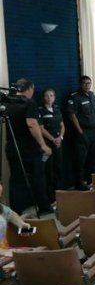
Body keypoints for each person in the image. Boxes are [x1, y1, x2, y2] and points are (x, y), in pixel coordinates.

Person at [3, 79, 52, 213]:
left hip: (12, 146)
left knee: (16, 180)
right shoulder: (29, 103)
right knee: (38, 178)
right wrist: (43, 145)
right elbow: (32, 124)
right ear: (29, 89)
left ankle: (16, 212)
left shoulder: (7, 102)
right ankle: (44, 208)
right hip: (29, 148)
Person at [65, 75, 95, 190]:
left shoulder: (91, 95)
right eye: (85, 83)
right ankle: (80, 183)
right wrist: (80, 130)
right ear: (80, 84)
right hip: (84, 132)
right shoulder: (75, 97)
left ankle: (91, 180)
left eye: (89, 83)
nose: (87, 85)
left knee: (94, 157)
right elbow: (72, 115)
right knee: (81, 159)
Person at [38, 87, 65, 202]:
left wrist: (60, 138)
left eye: (51, 96)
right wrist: (53, 139)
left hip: (58, 142)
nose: (49, 98)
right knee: (48, 170)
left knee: (58, 168)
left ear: (54, 97)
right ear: (43, 98)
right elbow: (41, 128)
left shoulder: (57, 109)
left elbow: (62, 125)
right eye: (47, 96)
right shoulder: (40, 110)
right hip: (48, 144)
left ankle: (58, 193)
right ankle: (50, 197)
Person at [0, 183, 33, 255]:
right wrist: (4, 252)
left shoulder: (1, 207)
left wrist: (20, 223)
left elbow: (10, 213)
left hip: (6, 251)